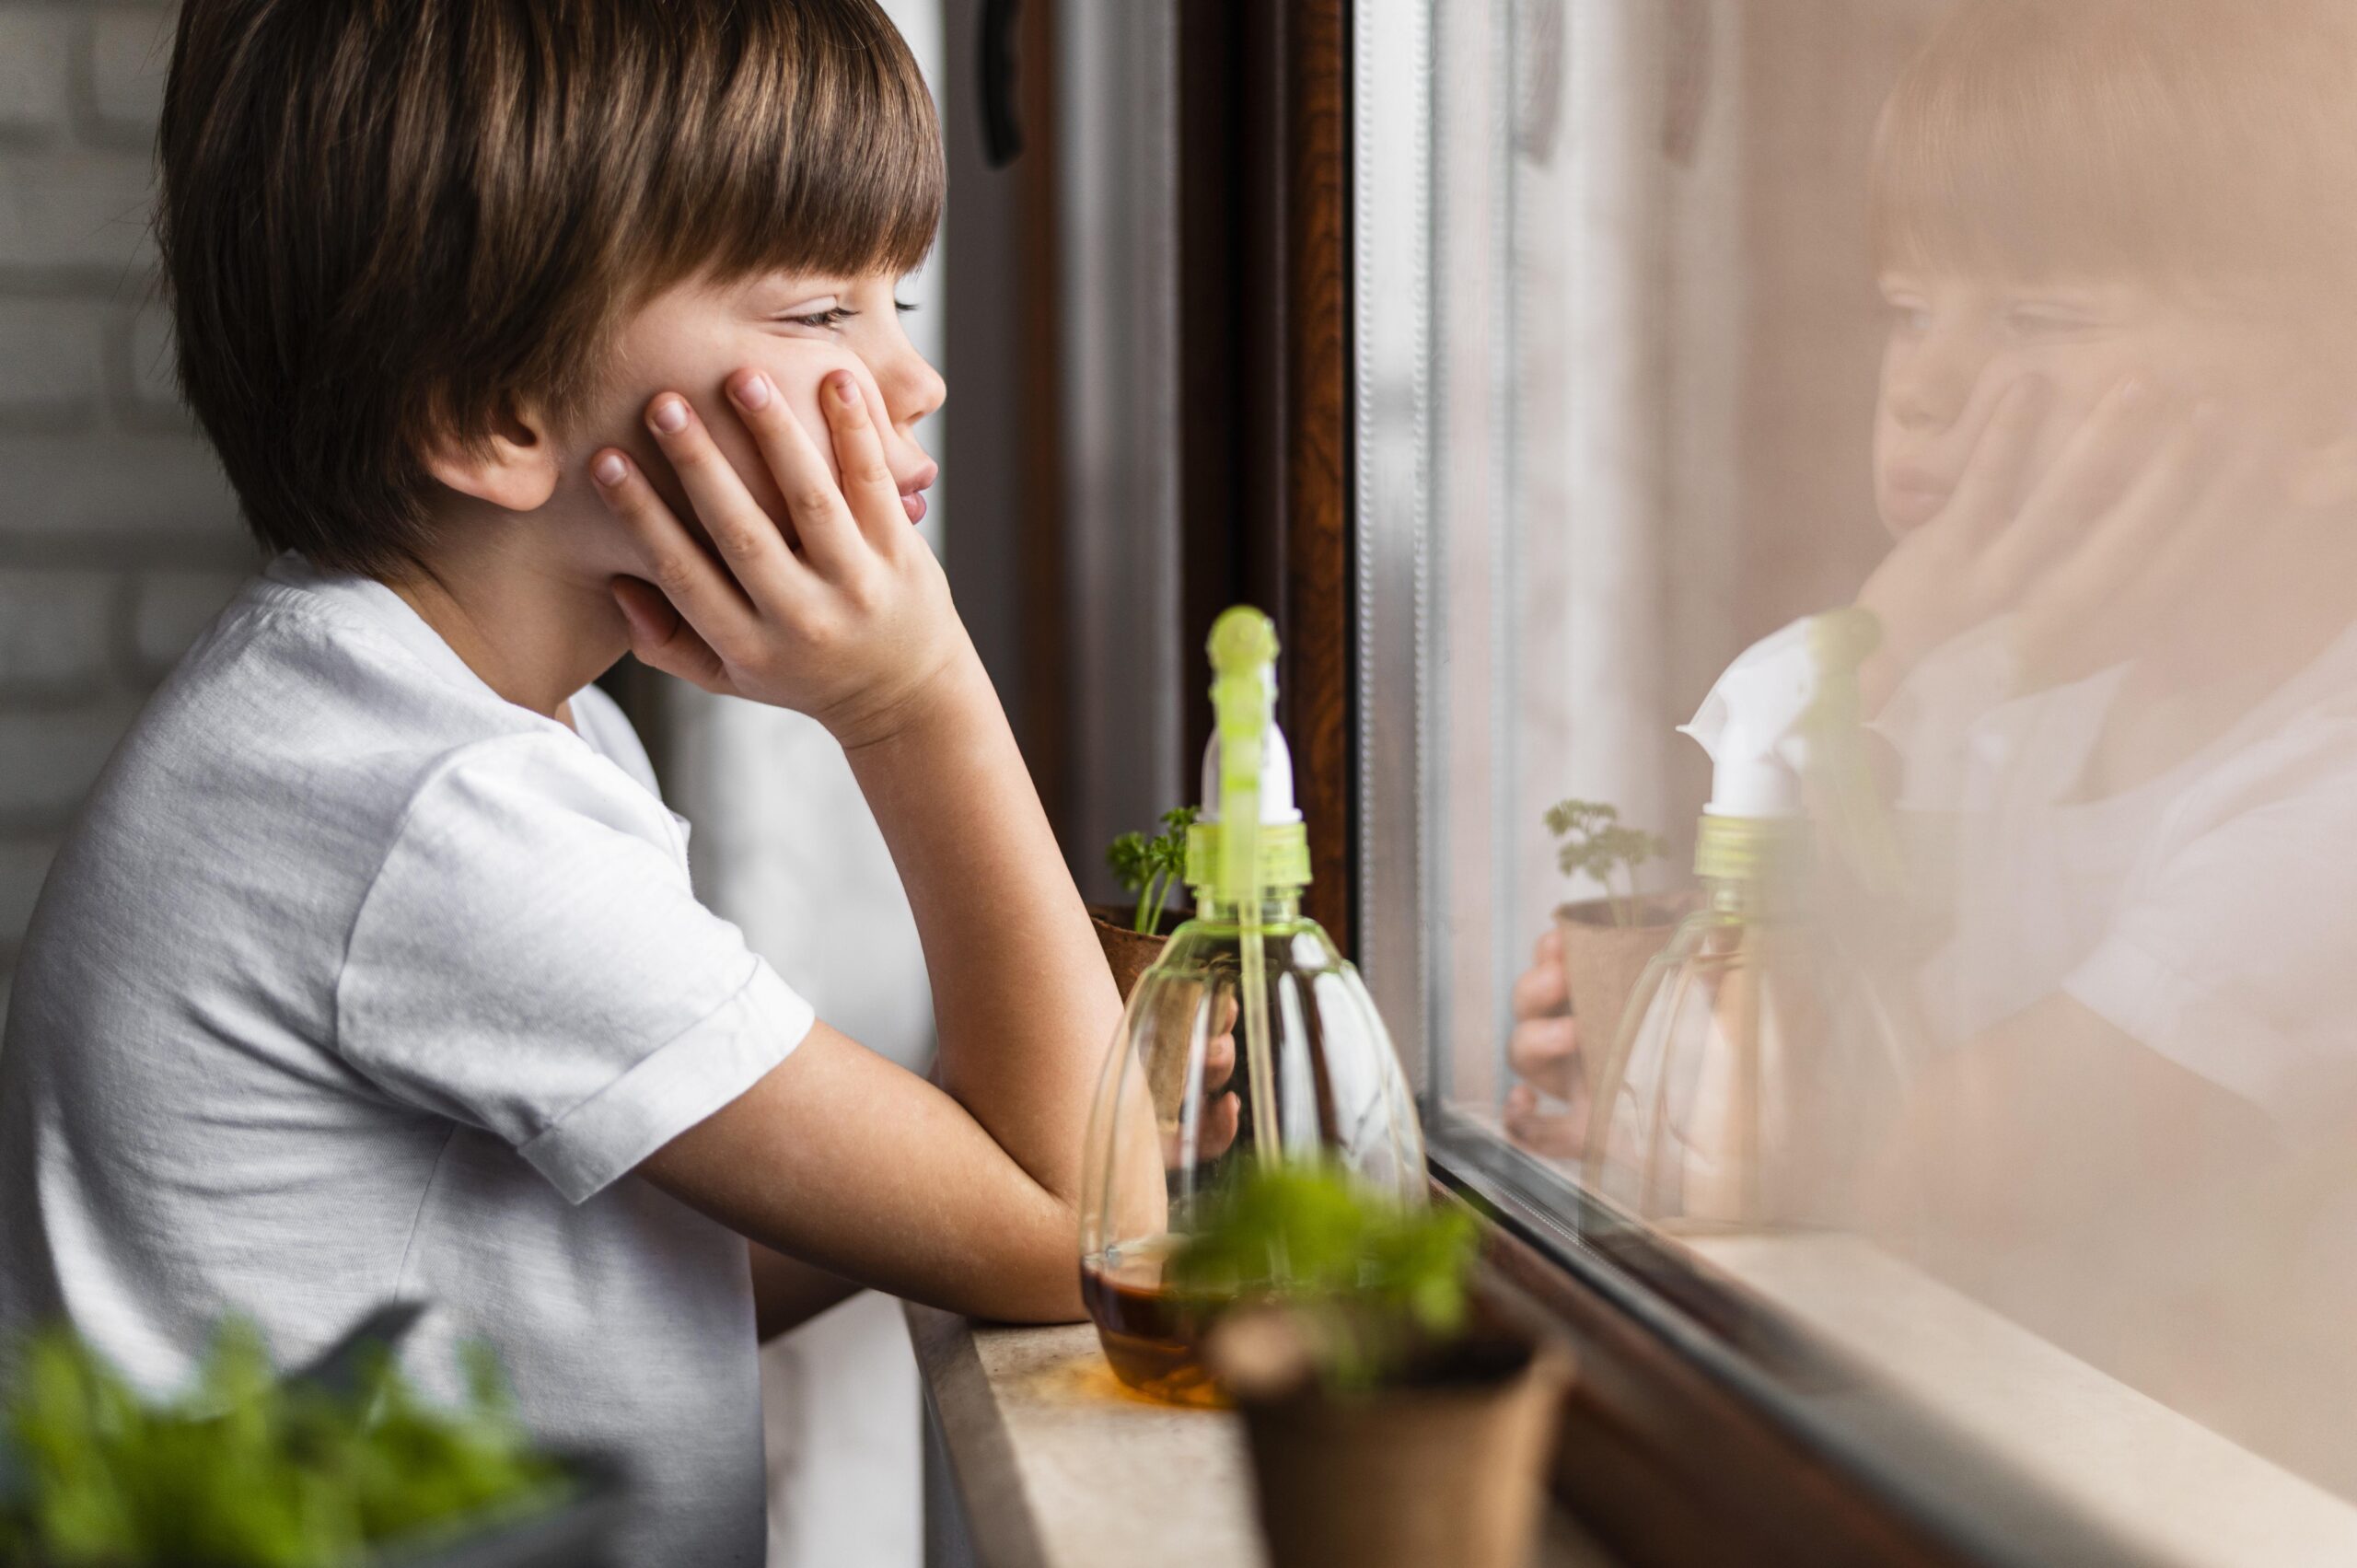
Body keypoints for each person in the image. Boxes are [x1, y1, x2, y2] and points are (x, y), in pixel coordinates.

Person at [0, 4, 1145, 1560]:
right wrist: (911, 697)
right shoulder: (430, 808)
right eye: (822, 313)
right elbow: (1093, 1233)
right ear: (494, 410)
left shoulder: (475, 727)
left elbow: (632, 1277)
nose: (912, 379)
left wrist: (943, 1158)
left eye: (905, 298)